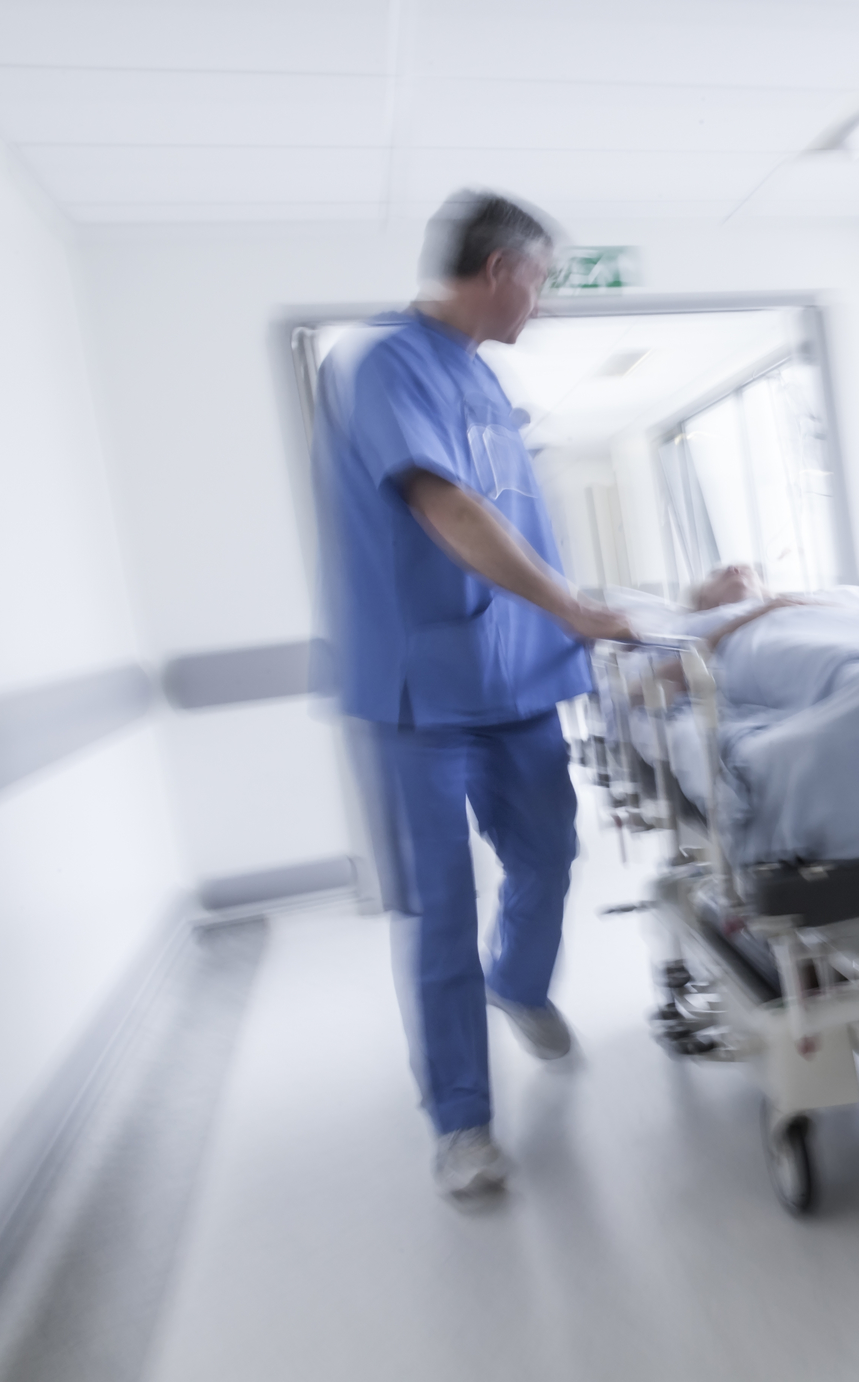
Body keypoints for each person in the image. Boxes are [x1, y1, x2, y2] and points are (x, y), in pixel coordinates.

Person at [314, 190, 633, 1202]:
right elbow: (446, 504)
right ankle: (461, 1122)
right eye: (540, 281)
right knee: (443, 909)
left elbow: (520, 518)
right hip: (418, 692)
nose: (542, 303)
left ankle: (521, 984)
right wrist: (573, 606)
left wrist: (580, 614)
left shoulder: (490, 384)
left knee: (551, 852)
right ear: (499, 270)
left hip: (518, 678)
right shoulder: (378, 362)